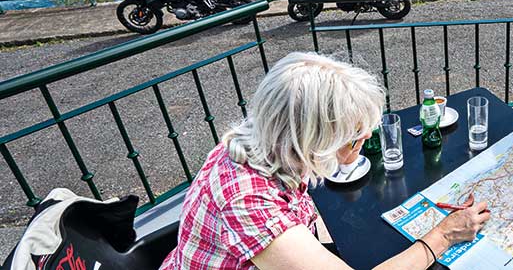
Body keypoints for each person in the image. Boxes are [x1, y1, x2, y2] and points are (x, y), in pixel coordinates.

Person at [159, 52, 490, 270]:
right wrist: (444, 235)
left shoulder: (268, 141)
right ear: (313, 139)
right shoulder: (248, 200)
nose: (366, 137)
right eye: (355, 132)